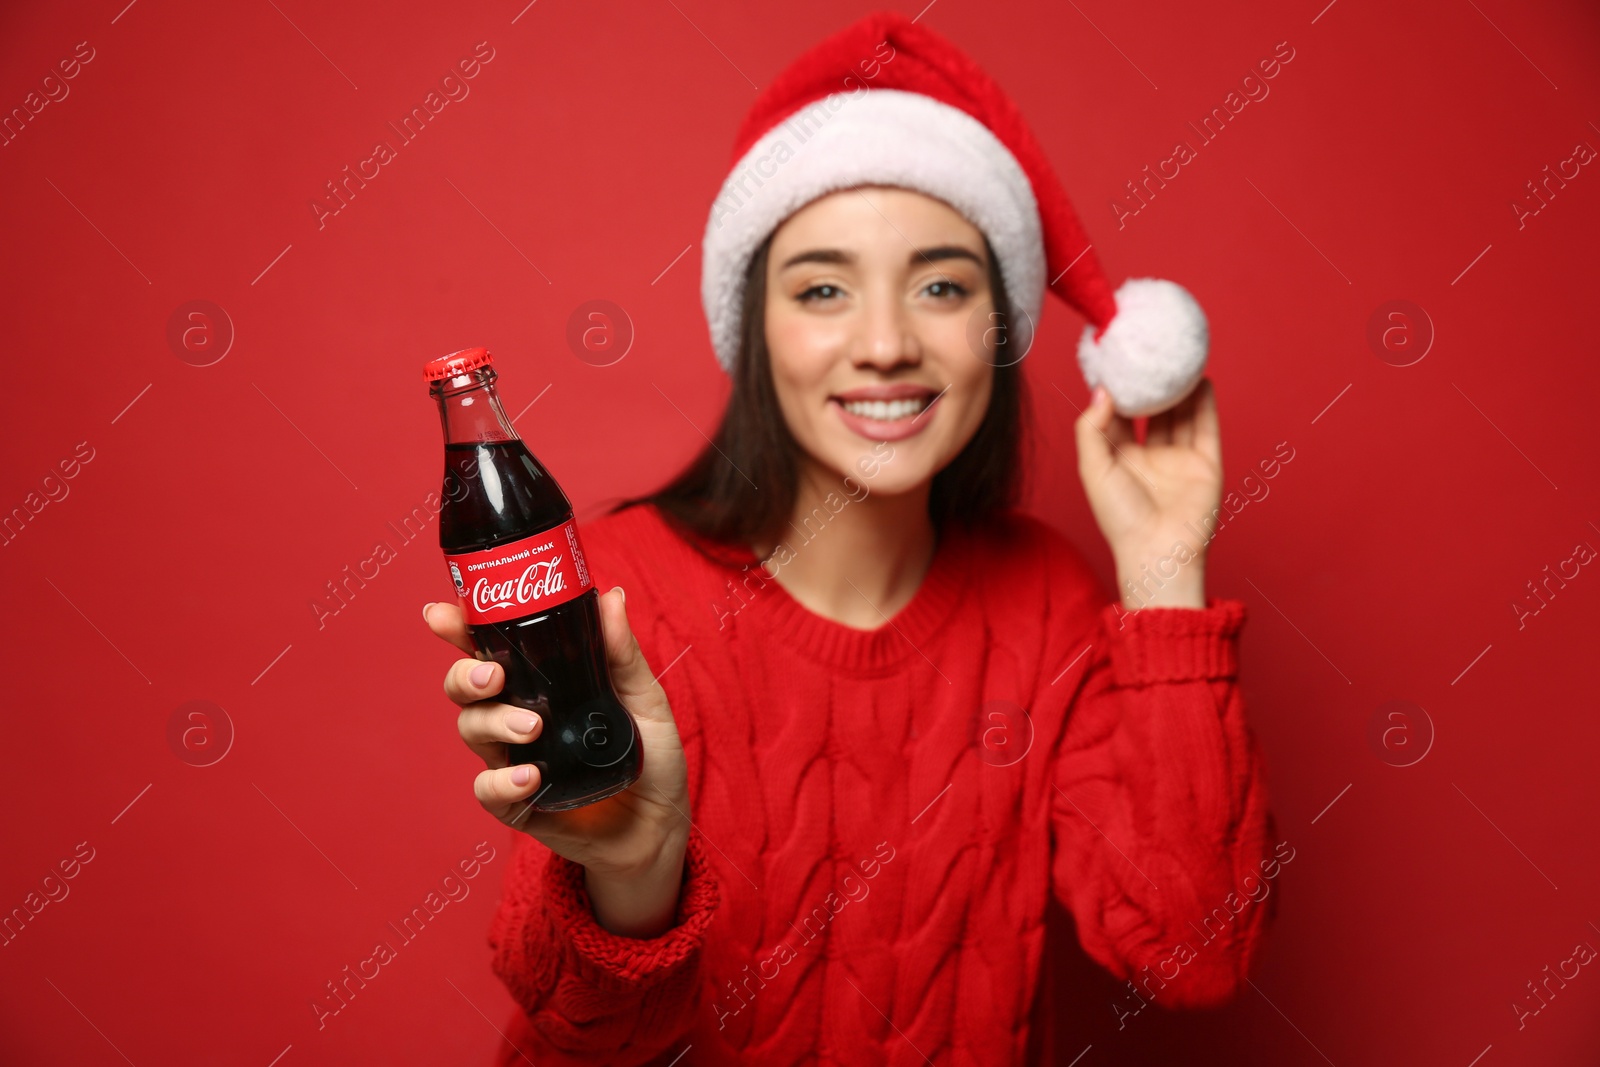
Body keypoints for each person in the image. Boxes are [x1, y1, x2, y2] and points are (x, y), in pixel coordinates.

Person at [422, 11, 1276, 1065]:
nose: (883, 344)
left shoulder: (1047, 600)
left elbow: (1195, 955)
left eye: (942, 286)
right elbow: (573, 1033)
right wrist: (634, 874)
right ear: (755, 327)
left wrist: (1162, 574)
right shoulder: (622, 592)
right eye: (822, 288)